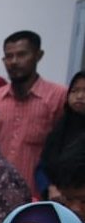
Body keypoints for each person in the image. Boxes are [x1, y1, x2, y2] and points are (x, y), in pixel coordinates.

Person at [0, 30, 68, 197]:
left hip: (37, 196)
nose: (14, 62)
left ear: (38, 55)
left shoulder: (59, 96)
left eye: (22, 54)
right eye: (9, 56)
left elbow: (64, 147)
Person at [37, 71, 85, 199]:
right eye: (74, 91)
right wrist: (49, 188)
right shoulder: (60, 129)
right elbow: (42, 166)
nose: (79, 96)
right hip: (56, 200)